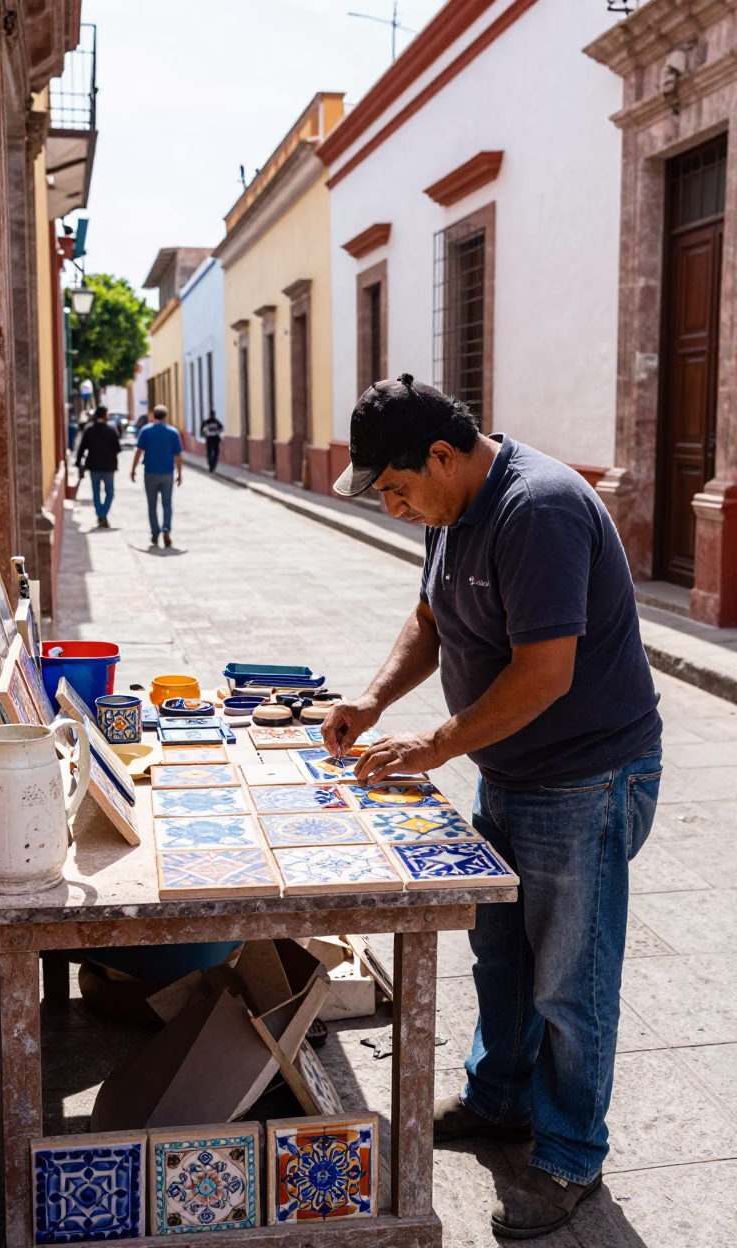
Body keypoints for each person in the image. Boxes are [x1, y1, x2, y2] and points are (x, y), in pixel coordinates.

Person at [323, 374, 662, 1241]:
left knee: (569, 981)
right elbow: (429, 621)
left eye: (398, 488)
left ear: (442, 454)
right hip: (512, 772)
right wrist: (371, 704)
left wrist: (435, 747)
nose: (394, 507)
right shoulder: (451, 512)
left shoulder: (537, 509)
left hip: (587, 779)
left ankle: (569, 1156)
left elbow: (545, 675)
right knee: (501, 955)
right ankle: (501, 1100)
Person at [130, 404, 182, 546]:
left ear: (153, 415)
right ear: (166, 416)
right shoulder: (173, 432)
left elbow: (139, 451)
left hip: (150, 472)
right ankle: (166, 528)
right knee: (167, 503)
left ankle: (154, 532)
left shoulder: (145, 431)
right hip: (167, 473)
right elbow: (177, 455)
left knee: (152, 504)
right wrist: (180, 473)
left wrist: (133, 469)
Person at [74, 405, 120, 529]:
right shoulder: (112, 430)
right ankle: (102, 513)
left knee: (96, 492)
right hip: (109, 467)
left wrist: (78, 463)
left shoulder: (89, 430)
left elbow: (82, 448)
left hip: (93, 466)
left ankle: (100, 514)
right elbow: (118, 448)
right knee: (110, 492)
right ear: (106, 416)